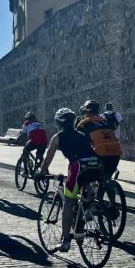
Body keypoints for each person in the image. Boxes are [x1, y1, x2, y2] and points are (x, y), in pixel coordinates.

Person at [38, 108, 101, 252]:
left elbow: (48, 158)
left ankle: (66, 241)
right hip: (94, 164)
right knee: (85, 185)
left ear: (58, 122)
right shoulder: (82, 134)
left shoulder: (57, 137)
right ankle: (88, 206)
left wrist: (42, 172)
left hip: (77, 167)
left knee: (68, 202)